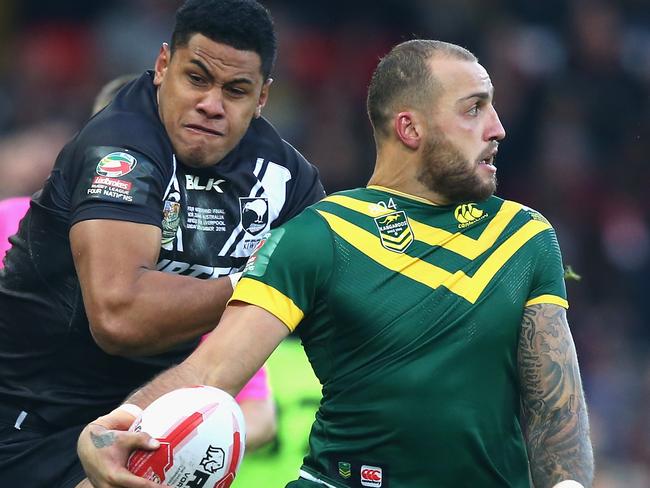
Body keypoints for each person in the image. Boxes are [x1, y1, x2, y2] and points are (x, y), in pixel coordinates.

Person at [77, 39, 594, 488]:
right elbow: (212, 369)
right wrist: (114, 431)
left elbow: (555, 403)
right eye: (473, 108)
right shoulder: (319, 234)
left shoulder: (524, 235)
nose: (498, 129)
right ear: (410, 129)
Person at [0, 0, 325, 485]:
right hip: (25, 420)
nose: (212, 104)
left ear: (262, 99)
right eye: (197, 78)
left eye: (236, 91)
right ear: (163, 66)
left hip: (139, 423)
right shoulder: (119, 146)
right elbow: (119, 317)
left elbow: (332, 290)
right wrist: (259, 283)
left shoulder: (286, 178)